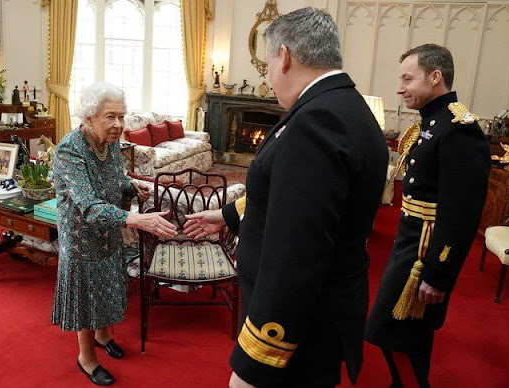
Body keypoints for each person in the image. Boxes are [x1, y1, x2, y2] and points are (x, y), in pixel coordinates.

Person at [183, 8, 388, 387]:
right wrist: (228, 215)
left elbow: (297, 250)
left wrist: (258, 355)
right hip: (323, 312)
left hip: (297, 329)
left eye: (267, 62)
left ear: (285, 56)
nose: (268, 74)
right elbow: (296, 198)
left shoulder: (315, 122)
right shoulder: (344, 107)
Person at [365, 44, 491, 387]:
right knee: (406, 332)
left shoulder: (459, 129)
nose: (399, 87)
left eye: (408, 78)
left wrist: (439, 273)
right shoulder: (434, 121)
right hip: (411, 242)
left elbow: (462, 213)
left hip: (425, 252)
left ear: (435, 77)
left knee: (395, 329)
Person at [51, 82, 177, 386]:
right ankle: (87, 358)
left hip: (109, 231)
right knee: (88, 296)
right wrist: (136, 220)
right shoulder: (70, 149)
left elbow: (117, 178)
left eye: (122, 116)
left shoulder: (109, 145)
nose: (119, 124)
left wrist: (131, 187)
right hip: (82, 238)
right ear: (89, 116)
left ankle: (103, 335)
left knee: (107, 284)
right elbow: (88, 205)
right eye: (111, 117)